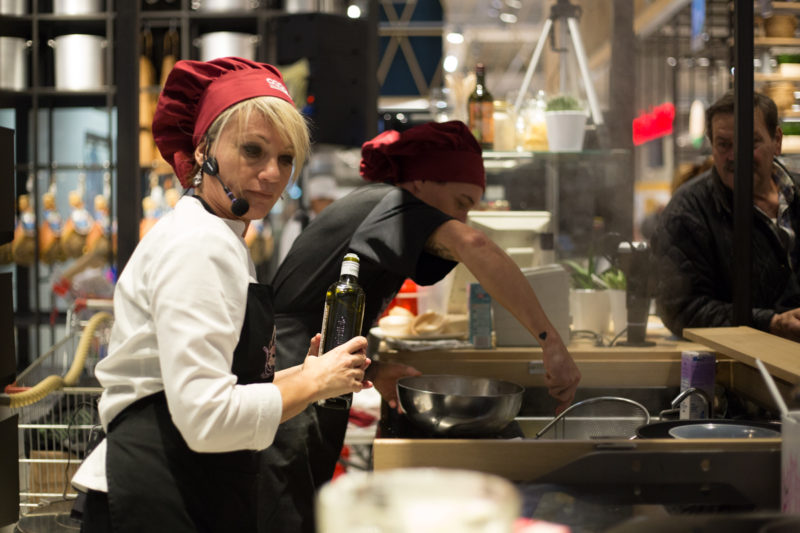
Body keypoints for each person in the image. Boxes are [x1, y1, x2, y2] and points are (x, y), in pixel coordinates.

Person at [70, 57, 370, 533]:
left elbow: (218, 384)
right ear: (204, 149)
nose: (272, 174)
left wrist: (310, 373)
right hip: (156, 494)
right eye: (253, 150)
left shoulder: (219, 235)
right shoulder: (199, 244)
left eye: (285, 158)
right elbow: (207, 417)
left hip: (182, 484)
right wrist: (314, 384)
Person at [258, 120, 582, 532]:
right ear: (421, 182)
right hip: (291, 382)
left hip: (308, 378)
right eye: (461, 202)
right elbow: (475, 244)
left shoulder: (383, 212)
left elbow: (324, 320)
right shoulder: (390, 202)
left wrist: (375, 370)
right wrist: (551, 343)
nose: (463, 217)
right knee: (282, 515)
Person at [651, 91, 800, 342]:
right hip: (739, 361)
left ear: (777, 141)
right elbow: (680, 309)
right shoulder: (688, 211)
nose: (735, 155)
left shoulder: (796, 194)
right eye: (723, 144)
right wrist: (769, 323)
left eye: (749, 142)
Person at [277, 174, 338, 264]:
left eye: (331, 201)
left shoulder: (336, 222)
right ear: (312, 201)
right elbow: (286, 258)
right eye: (322, 200)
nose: (327, 205)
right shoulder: (298, 223)